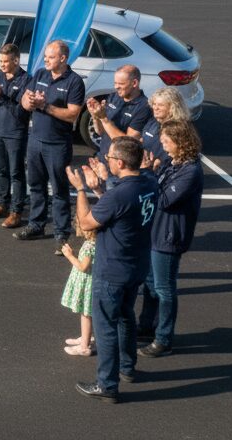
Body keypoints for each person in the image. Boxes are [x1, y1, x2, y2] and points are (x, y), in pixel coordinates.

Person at [67, 136, 158, 403]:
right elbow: (120, 211)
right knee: (126, 316)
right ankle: (127, 368)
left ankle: (107, 385)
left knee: (106, 326)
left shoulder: (119, 194)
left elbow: (86, 223)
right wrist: (100, 190)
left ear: (119, 162)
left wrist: (82, 190)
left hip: (112, 270)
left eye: (108, 158)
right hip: (137, 265)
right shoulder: (149, 183)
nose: (106, 162)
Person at [137, 119, 204, 358]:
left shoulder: (190, 171)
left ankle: (164, 339)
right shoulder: (172, 162)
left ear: (180, 141)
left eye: (166, 141)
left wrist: (147, 174)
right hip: (155, 231)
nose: (162, 145)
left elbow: (164, 200)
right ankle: (146, 326)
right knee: (150, 283)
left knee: (164, 288)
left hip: (169, 235)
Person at [16, 39, 86, 255]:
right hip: (35, 140)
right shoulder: (40, 75)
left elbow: (73, 114)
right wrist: (28, 102)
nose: (45, 59)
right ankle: (36, 225)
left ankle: (61, 235)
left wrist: (45, 106)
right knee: (36, 186)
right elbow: (24, 101)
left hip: (57, 145)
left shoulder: (74, 82)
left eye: (50, 56)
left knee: (59, 190)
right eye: (45, 56)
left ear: (63, 59)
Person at [0, 44, 31, 227]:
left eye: (5, 61)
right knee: (1, 170)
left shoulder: (26, 80)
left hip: (15, 134)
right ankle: (1, 204)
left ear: (16, 60)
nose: (2, 65)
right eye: (0, 61)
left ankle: (16, 211)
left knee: (16, 173)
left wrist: (1, 96)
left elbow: (22, 112)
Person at [86, 65, 151, 166]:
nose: (116, 87)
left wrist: (104, 118)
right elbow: (100, 132)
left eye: (121, 83)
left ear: (134, 83)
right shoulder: (114, 97)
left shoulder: (144, 107)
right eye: (115, 83)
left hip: (121, 165)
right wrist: (95, 116)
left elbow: (128, 144)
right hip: (103, 158)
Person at [60, 225, 97, 357]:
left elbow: (83, 267)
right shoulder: (97, 243)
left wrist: (69, 255)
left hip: (87, 284)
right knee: (87, 313)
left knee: (85, 313)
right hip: (92, 282)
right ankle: (86, 336)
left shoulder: (89, 246)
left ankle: (84, 346)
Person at [140, 87, 190, 175]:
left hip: (165, 174)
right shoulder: (153, 121)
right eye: (154, 104)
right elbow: (142, 140)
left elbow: (179, 155)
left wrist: (157, 162)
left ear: (172, 107)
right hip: (145, 168)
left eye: (160, 105)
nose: (155, 108)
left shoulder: (179, 129)